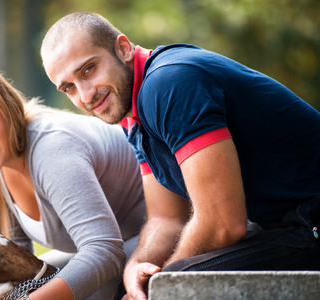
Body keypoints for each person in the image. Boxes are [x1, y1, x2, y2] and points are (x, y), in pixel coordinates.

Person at [40, 12, 320, 300]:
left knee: (173, 289)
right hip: (289, 226)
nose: (86, 96)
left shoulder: (169, 84)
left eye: (88, 70)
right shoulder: (130, 110)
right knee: (136, 285)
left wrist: (164, 279)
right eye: (69, 87)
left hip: (311, 219)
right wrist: (138, 264)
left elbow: (223, 223)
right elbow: (167, 217)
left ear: (122, 48)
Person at [0, 52, 147, 300]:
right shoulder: (0, 163)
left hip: (157, 234)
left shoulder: (51, 149)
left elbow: (104, 251)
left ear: (4, 107)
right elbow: (18, 268)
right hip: (121, 245)